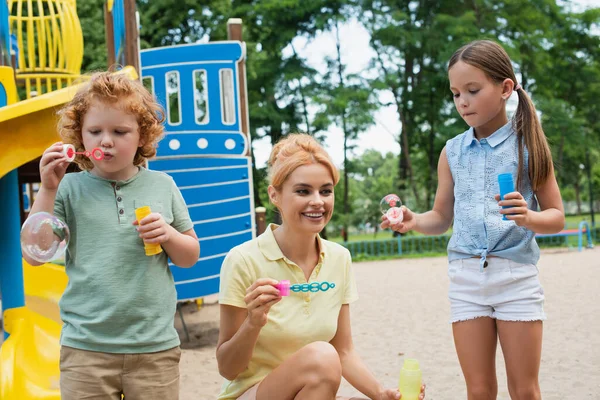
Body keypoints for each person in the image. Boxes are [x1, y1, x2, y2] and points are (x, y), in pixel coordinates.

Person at [382, 40, 564, 400]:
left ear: (505, 89)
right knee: (478, 390)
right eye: (455, 93)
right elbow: (441, 217)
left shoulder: (529, 146)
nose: (462, 101)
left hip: (516, 279)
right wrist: (412, 219)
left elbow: (556, 218)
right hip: (466, 280)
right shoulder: (452, 152)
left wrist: (528, 217)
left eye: (472, 90)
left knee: (524, 390)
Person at [23, 71, 200, 400]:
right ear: (80, 137)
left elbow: (189, 256)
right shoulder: (68, 188)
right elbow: (35, 254)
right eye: (95, 131)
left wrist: (169, 236)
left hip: (154, 350)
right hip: (85, 350)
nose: (106, 140)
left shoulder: (163, 185)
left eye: (120, 131)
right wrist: (48, 189)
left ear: (142, 138)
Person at [216, 134, 425, 400]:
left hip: (311, 392)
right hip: (252, 393)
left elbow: (344, 351)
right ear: (275, 195)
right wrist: (253, 323)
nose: (318, 201)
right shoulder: (242, 260)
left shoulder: (339, 259)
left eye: (325, 191)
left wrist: (381, 394)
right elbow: (227, 368)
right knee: (322, 357)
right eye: (303, 191)